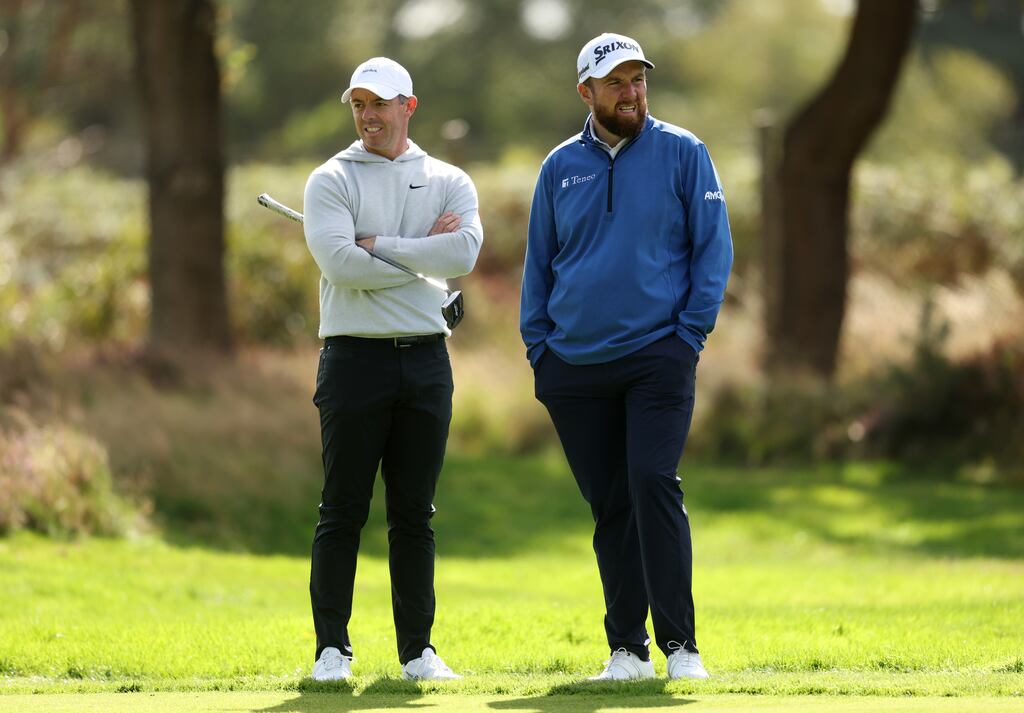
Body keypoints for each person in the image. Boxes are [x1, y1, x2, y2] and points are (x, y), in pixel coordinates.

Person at [520, 33, 733, 681]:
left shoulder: (683, 152)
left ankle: (681, 646)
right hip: (574, 366)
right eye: (615, 82)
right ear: (586, 91)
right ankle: (627, 649)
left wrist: (688, 336)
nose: (631, 91)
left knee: (651, 481)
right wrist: (541, 351)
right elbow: (540, 265)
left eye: (638, 79)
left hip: (656, 355)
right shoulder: (560, 166)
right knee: (612, 504)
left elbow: (713, 249)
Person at [302, 56, 483, 682]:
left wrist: (377, 244)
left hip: (427, 361)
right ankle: (332, 650)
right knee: (342, 509)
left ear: (409, 105)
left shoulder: (449, 179)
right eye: (358, 104)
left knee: (414, 512)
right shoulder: (330, 179)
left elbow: (463, 250)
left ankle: (418, 653)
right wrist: (414, 255)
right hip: (353, 358)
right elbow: (341, 268)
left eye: (379, 103)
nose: (367, 116)